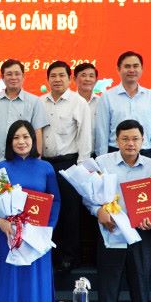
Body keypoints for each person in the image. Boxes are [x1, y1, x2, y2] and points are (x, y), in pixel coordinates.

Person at [0, 120, 60, 302]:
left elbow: (56, 201)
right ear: (10, 141)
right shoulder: (0, 168)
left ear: (34, 140)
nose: (22, 141)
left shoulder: (46, 168)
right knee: (11, 288)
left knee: (36, 288)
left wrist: (46, 227)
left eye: (26, 137)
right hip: (10, 237)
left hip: (37, 239)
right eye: (16, 137)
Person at [91, 120, 151, 302]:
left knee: (141, 290)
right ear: (116, 140)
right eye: (125, 139)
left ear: (143, 141)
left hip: (141, 233)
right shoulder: (102, 163)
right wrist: (98, 211)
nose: (130, 143)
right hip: (111, 231)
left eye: (135, 139)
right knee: (108, 290)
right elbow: (88, 195)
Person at [39, 61, 92, 271]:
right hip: (45, 164)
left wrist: (81, 167)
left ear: (69, 78)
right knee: (47, 211)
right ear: (48, 79)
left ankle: (69, 257)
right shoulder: (40, 102)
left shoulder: (78, 103)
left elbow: (85, 136)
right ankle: (49, 254)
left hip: (69, 164)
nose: (57, 79)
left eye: (62, 75)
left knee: (70, 212)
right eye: (53, 76)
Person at [94, 51, 151, 163]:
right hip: (115, 153)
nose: (131, 70)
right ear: (118, 69)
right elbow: (102, 132)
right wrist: (102, 161)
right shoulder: (107, 96)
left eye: (135, 66)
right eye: (127, 66)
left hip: (145, 153)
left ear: (142, 69)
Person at [0, 59, 47, 168]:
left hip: (25, 161)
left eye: (17, 74)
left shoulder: (34, 101)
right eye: (9, 74)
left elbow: (38, 132)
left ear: (23, 76)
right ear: (2, 77)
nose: (13, 77)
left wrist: (37, 161)